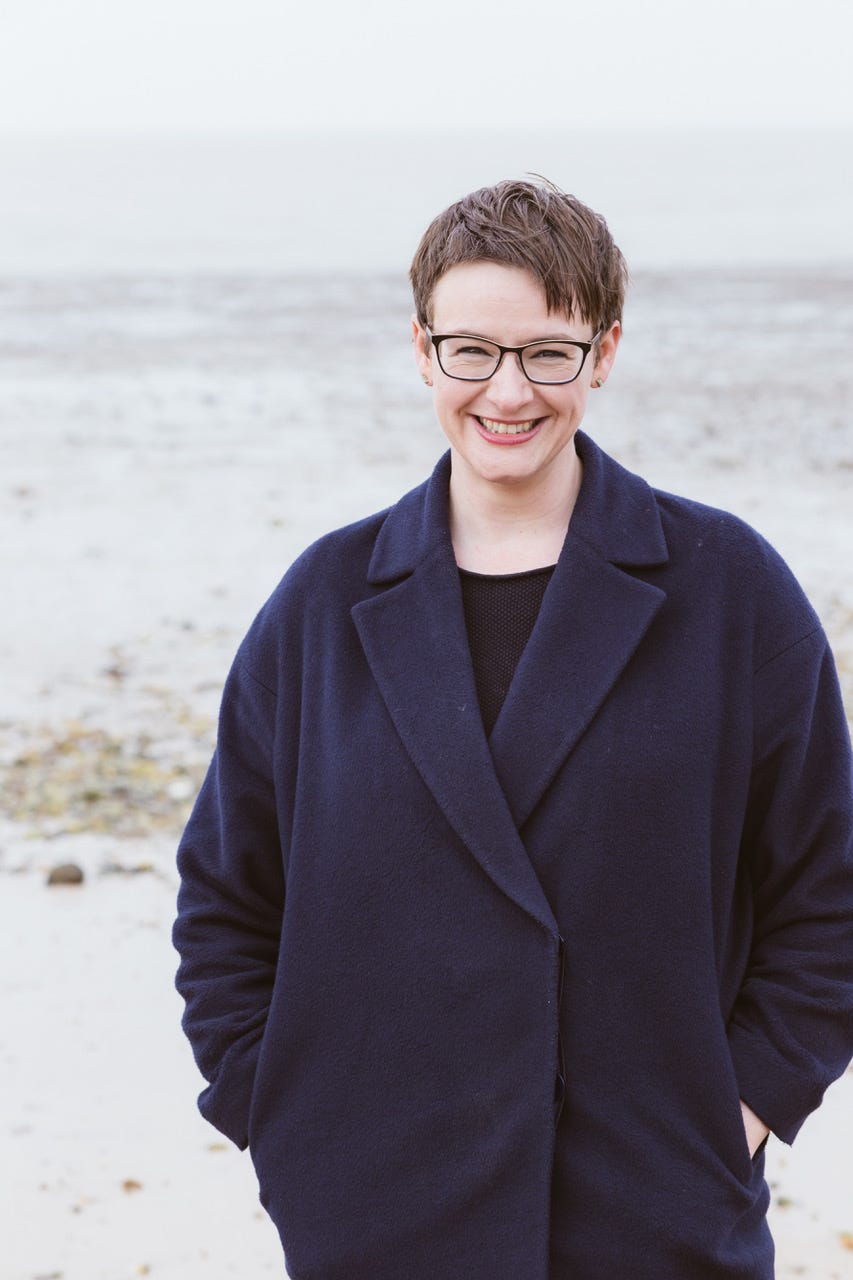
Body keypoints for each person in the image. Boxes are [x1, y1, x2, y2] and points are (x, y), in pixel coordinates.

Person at [173, 178, 853, 1279]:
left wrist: (742, 1106)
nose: (506, 390)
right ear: (421, 349)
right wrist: (279, 1117)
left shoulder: (729, 590)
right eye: (470, 350)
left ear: (605, 350)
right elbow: (225, 896)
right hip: (376, 1215)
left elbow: (828, 886)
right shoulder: (321, 602)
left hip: (653, 1209)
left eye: (547, 351)